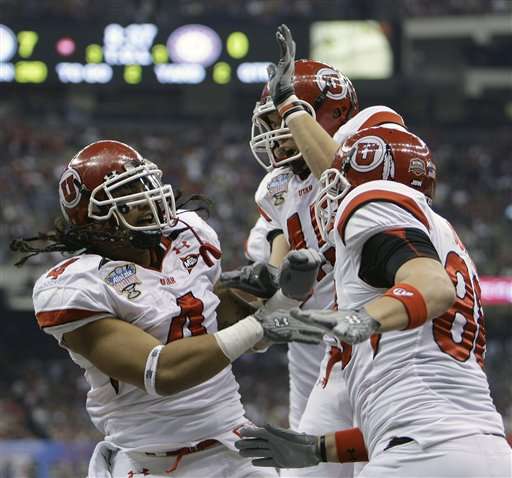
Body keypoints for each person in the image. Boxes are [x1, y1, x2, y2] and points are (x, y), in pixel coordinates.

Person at [235, 25, 512, 477]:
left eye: (281, 122)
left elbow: (349, 183)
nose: (275, 134)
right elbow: (277, 291)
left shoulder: (368, 172)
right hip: (355, 355)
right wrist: (274, 287)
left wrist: (354, 320)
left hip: (377, 345)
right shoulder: (281, 191)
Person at [13, 139, 330, 478]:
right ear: (95, 220)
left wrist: (285, 298)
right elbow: (161, 372)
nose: (147, 199)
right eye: (129, 194)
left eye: (144, 185)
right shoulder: (76, 284)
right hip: (151, 463)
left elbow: (240, 333)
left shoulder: (190, 235)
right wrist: (264, 322)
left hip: (233, 447)